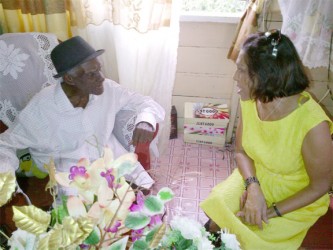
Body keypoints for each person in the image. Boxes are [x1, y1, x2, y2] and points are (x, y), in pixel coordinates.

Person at [200, 30, 333, 249]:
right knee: (217, 216)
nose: (235, 77)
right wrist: (253, 189)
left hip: (297, 197)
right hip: (256, 177)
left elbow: (320, 185)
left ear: (265, 75)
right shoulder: (252, 99)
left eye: (241, 70)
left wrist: (271, 211)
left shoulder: (313, 124)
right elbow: (241, 152)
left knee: (251, 237)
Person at [0, 36, 165, 200]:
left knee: (148, 199)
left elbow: (144, 102)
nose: (101, 77)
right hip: (69, 172)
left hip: (109, 158)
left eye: (98, 69)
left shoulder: (107, 89)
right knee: (90, 220)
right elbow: (5, 144)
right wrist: (7, 184)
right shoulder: (41, 109)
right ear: (70, 79)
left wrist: (145, 121)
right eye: (92, 74)